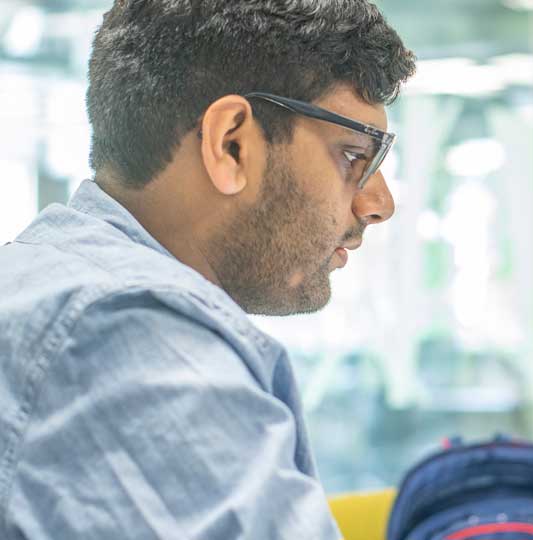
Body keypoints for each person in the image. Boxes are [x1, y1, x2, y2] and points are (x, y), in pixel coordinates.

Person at [0, 1, 415, 538]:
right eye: (353, 156)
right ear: (230, 144)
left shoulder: (49, 280)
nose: (379, 204)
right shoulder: (127, 334)